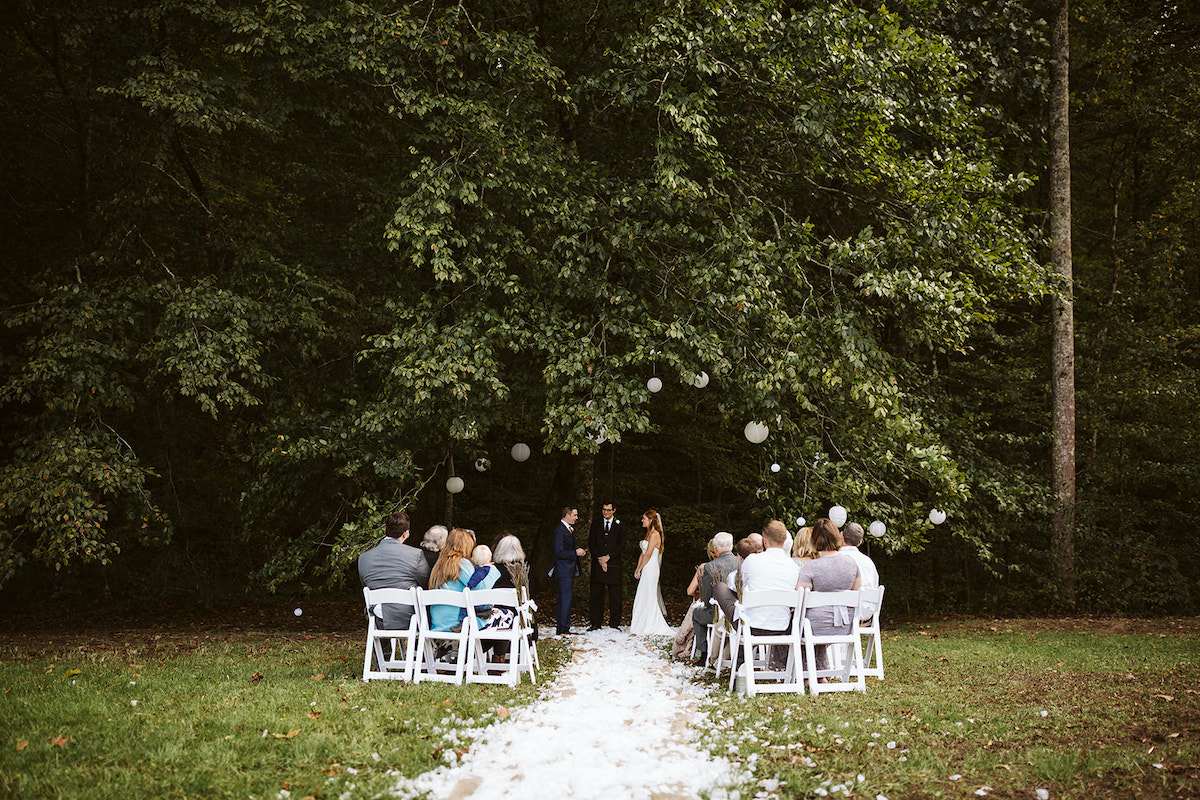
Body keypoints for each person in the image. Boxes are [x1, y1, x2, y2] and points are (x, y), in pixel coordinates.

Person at [798, 518, 862, 672]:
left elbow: (799, 599)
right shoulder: (852, 563)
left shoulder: (810, 567)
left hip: (815, 627)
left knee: (797, 624)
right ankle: (820, 674)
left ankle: (806, 674)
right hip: (846, 626)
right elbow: (857, 593)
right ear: (837, 537)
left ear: (814, 541)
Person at [737, 519, 802, 669]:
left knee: (722, 590)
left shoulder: (751, 560)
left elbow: (740, 587)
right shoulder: (794, 567)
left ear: (764, 540)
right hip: (782, 626)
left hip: (753, 624)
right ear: (785, 539)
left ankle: (739, 663)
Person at [357, 510, 431, 633]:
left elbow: (365, 585)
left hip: (378, 616)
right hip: (409, 616)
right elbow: (426, 584)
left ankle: (383, 652)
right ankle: (419, 651)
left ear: (385, 529)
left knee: (379, 608)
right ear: (406, 534)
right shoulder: (416, 554)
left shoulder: (364, 558)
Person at [428, 528, 502, 631]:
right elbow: (480, 590)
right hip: (459, 625)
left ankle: (477, 647)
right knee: (507, 617)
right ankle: (484, 647)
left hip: (438, 626)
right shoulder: (462, 564)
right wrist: (493, 571)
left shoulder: (439, 565)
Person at [690, 531, 739, 663]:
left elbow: (706, 599)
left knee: (696, 614)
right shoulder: (740, 562)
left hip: (717, 614)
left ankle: (704, 654)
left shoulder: (710, 566)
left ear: (715, 548)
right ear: (732, 546)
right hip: (737, 613)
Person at [630, 509, 673, 635]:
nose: (642, 521)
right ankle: (641, 624)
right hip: (646, 565)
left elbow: (648, 554)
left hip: (651, 566)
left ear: (651, 520)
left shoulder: (655, 535)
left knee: (649, 594)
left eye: (644, 519)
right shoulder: (649, 533)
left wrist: (640, 568)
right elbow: (642, 554)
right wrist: (637, 568)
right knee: (643, 593)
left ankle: (651, 623)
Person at [588, 500, 627, 630]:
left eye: (609, 510)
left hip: (614, 564)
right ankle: (595, 623)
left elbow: (622, 545)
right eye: (604, 509)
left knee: (615, 595)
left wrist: (608, 557)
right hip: (598, 563)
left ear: (614, 510)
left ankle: (614, 623)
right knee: (596, 594)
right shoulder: (596, 524)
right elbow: (591, 543)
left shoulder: (620, 525)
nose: (606, 512)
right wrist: (600, 559)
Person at [550, 506, 585, 635]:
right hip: (564, 570)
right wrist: (575, 552)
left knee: (564, 599)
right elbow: (559, 552)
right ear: (567, 515)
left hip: (567, 570)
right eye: (575, 515)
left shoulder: (566, 529)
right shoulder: (559, 530)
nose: (577, 517)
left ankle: (562, 628)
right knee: (565, 599)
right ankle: (563, 629)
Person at [838, 521, 880, 619]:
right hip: (866, 613)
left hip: (845, 614)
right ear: (860, 542)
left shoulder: (836, 558)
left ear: (841, 536)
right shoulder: (868, 562)